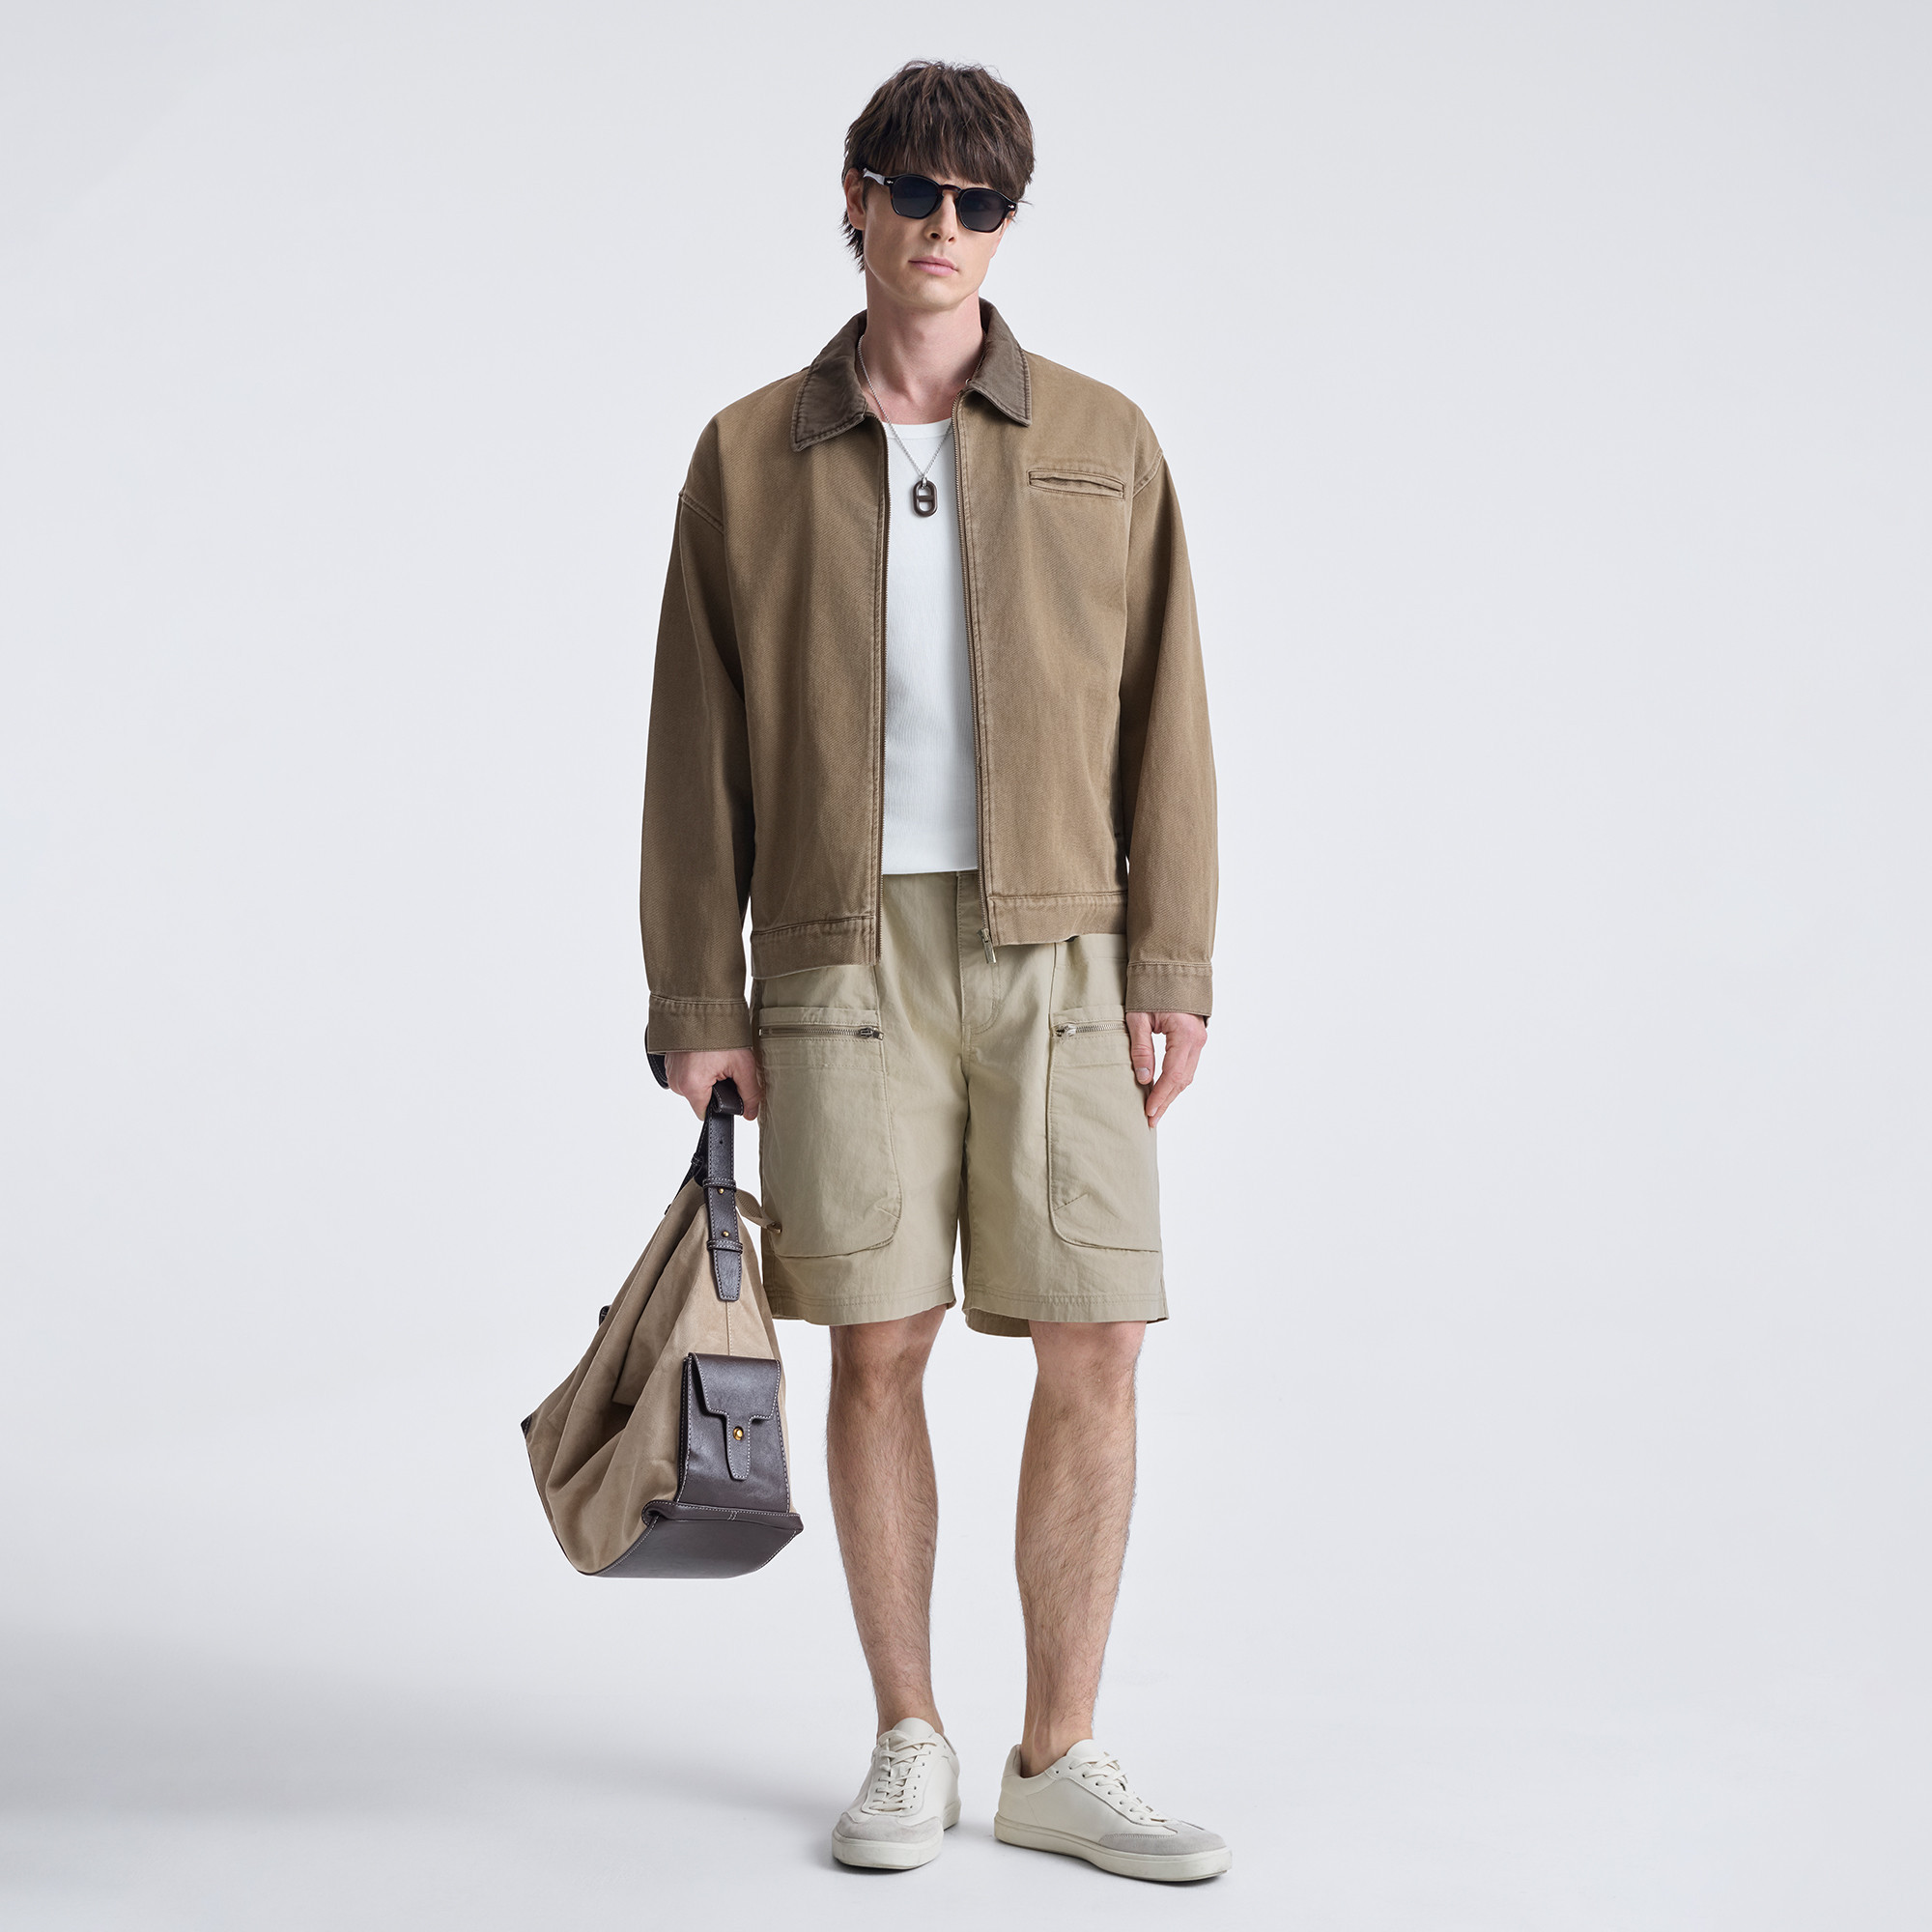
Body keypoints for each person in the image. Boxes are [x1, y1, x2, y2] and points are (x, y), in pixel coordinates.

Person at [639, 59, 1225, 1884]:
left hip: (1063, 948)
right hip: (840, 956)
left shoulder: (1103, 438)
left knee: (1100, 1337)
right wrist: (699, 999)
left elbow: (1168, 710)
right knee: (876, 1344)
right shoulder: (751, 454)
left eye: (981, 203)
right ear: (856, 199)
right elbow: (694, 747)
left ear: (1006, 222)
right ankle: (909, 1733)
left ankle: (1061, 1753)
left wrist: (1174, 957)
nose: (945, 229)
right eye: (914, 192)